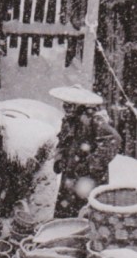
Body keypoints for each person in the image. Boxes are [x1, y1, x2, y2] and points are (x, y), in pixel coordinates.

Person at [50, 86, 121, 218]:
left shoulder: (93, 119)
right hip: (70, 176)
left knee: (88, 215)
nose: (66, 108)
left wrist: (91, 164)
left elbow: (113, 140)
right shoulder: (68, 121)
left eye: (70, 105)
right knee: (66, 214)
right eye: (65, 105)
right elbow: (62, 142)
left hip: (89, 179)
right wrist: (59, 159)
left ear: (78, 105)